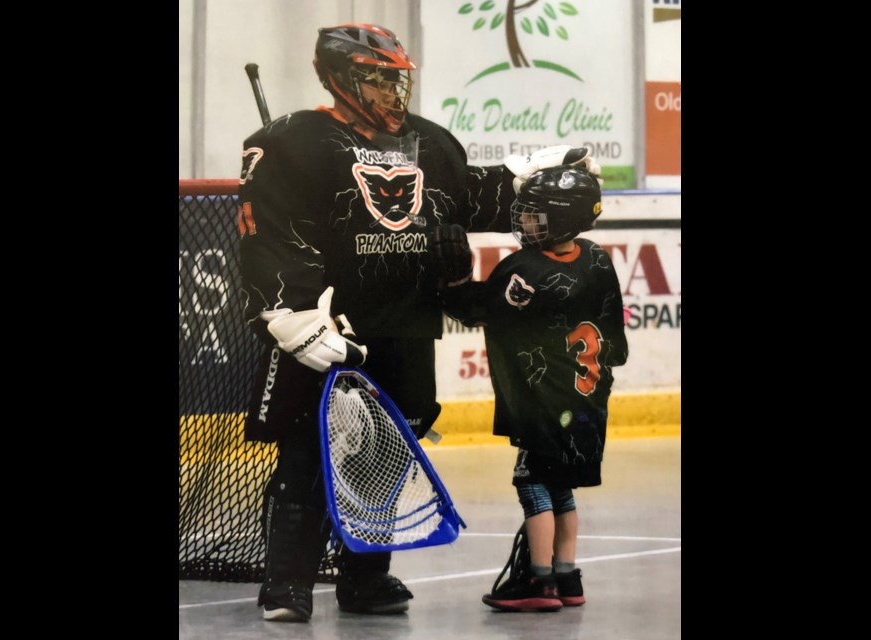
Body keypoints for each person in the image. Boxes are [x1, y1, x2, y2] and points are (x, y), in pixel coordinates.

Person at [237, 23, 601, 623]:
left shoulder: (430, 144)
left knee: (384, 455)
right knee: (305, 456)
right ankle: (287, 585)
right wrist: (290, 309)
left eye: (397, 78)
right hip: (331, 328)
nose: (391, 91)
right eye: (377, 77)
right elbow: (268, 230)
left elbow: (473, 197)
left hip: (407, 324)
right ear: (341, 77)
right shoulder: (291, 141)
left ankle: (365, 580)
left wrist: (530, 177)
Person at [431, 164, 629, 612]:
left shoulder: (522, 269)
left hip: (545, 402)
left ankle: (538, 582)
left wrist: (454, 279)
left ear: (562, 218)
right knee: (563, 487)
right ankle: (568, 575)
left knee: (532, 481)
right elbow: (615, 342)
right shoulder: (598, 259)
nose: (525, 220)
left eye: (537, 215)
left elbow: (475, 310)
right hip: (589, 399)